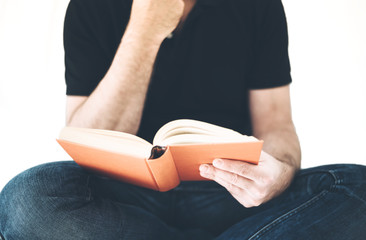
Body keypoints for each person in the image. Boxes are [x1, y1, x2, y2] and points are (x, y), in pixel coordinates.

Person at [0, 0, 365, 239]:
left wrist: (279, 175)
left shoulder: (258, 5)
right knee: (25, 201)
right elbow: (87, 141)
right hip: (126, 203)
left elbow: (277, 126)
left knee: (356, 187)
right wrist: (145, 30)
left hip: (231, 196)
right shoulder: (88, 7)